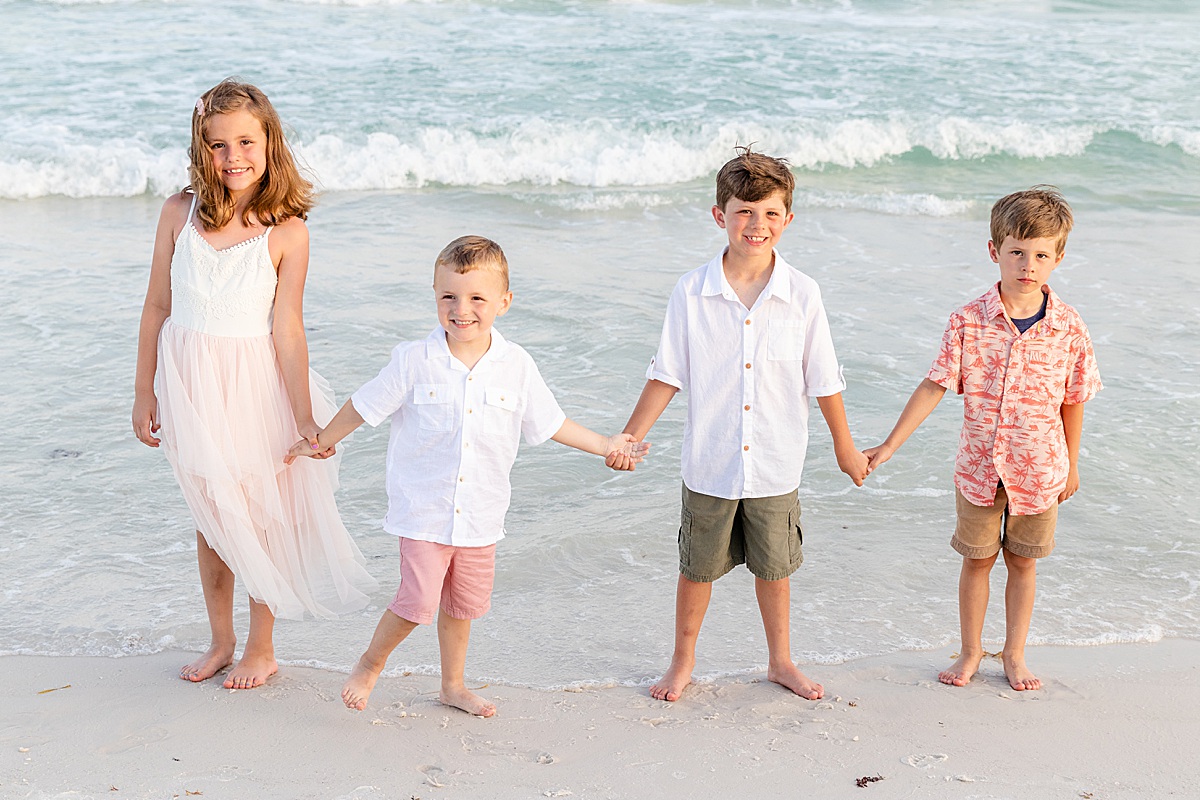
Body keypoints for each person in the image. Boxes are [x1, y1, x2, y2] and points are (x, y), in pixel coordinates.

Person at [287, 235, 647, 717]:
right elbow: (364, 404)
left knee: (462, 606)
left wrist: (607, 445)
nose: (462, 310)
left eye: (477, 298)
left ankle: (452, 685)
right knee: (417, 602)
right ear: (434, 295)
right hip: (423, 512)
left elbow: (550, 423)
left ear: (504, 301)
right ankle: (370, 664)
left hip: (481, 515)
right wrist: (323, 439)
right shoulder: (414, 360)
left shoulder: (516, 365)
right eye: (448, 297)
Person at [132, 80, 376, 690]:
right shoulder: (177, 213)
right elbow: (156, 306)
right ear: (201, 147)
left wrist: (304, 419)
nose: (232, 156)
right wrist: (144, 391)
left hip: (254, 388)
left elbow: (288, 331)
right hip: (191, 385)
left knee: (257, 517)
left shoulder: (286, 232)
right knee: (211, 515)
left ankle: (261, 649)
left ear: (270, 142)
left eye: (246, 141)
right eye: (218, 145)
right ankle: (221, 640)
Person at [606, 147, 869, 702]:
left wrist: (846, 451)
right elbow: (666, 374)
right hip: (711, 460)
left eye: (771, 213)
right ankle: (682, 662)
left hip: (776, 461)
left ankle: (781, 661)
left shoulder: (802, 294)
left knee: (775, 570)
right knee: (696, 570)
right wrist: (629, 437)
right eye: (744, 211)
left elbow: (824, 378)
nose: (757, 224)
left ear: (788, 220)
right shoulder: (692, 292)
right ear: (719, 215)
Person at [864, 186, 1102, 691]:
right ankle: (971, 652)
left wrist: (1072, 464)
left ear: (1059, 257)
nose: (1027, 264)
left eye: (1041, 254)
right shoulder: (968, 320)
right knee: (977, 561)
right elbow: (934, 385)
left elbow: (1073, 398)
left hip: (1040, 470)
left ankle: (1014, 655)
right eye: (1016, 251)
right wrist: (888, 446)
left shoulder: (1068, 327)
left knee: (1022, 563)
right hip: (979, 469)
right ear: (994, 251)